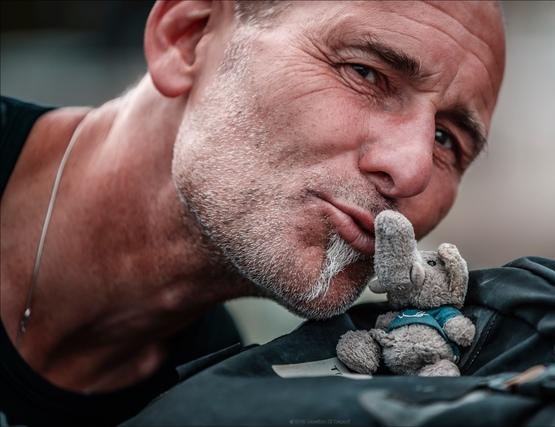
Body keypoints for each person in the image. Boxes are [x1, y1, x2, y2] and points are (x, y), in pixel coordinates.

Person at [0, 1, 506, 425]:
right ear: (188, 37)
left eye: (446, 139)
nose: (413, 170)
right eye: (365, 73)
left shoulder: (214, 393)